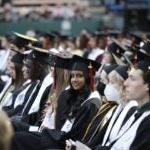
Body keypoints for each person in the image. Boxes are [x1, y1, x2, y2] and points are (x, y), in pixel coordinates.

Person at [11, 55, 101, 150]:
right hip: (55, 137)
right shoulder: (72, 94)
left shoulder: (91, 103)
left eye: (79, 76)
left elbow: (74, 135)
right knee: (17, 135)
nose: (74, 80)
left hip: (63, 144)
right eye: (72, 76)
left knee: (18, 138)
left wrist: (49, 129)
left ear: (88, 78)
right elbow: (58, 125)